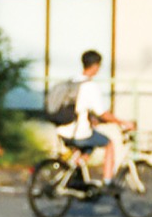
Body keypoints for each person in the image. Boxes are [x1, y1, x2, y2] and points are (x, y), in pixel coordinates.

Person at [57, 49, 134, 182]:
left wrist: (92, 118)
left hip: (63, 130)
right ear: (95, 66)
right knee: (108, 143)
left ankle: (77, 172)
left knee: (90, 142)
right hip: (78, 132)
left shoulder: (72, 82)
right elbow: (102, 113)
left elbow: (77, 107)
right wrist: (122, 122)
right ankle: (107, 181)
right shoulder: (90, 86)